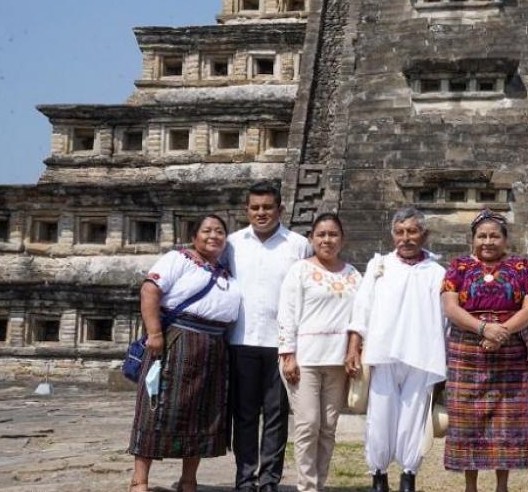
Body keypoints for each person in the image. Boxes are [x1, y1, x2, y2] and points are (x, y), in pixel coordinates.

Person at [129, 215, 241, 492]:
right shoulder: (178, 259)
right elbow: (150, 290)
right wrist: (155, 333)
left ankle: (188, 480)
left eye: (219, 231)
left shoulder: (226, 272)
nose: (213, 236)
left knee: (203, 413)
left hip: (214, 348)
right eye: (207, 231)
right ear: (194, 236)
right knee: (157, 407)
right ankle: (139, 480)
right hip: (177, 341)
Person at [345, 207, 447, 492]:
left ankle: (408, 475)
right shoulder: (380, 266)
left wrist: (446, 361)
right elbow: (362, 308)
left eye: (412, 232)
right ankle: (378, 475)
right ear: (393, 236)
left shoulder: (438, 273)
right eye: (400, 232)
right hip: (383, 353)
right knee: (380, 418)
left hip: (422, 355)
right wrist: (354, 347)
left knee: (414, 420)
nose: (406, 238)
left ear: (424, 235)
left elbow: (446, 320)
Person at [441, 209, 528, 492]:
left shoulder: (521, 268)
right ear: (473, 239)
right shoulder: (458, 267)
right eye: (482, 236)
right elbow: (450, 307)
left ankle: (502, 486)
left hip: (509, 353)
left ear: (505, 240)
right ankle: (470, 486)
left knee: (506, 421)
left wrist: (502, 332)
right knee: (467, 420)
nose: (488, 241)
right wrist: (484, 329)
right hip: (468, 350)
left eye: (494, 236)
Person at [227, 181, 312, 492]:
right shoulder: (232, 243)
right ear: (247, 210)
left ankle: (269, 480)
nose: (261, 213)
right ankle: (245, 478)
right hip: (242, 340)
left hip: (281, 345)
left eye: (267, 207)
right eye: (255, 208)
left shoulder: (298, 244)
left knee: (276, 416)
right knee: (244, 415)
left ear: (280, 209)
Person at [277, 213, 362, 492]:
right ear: (312, 239)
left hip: (338, 361)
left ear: (342, 239)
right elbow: (287, 314)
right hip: (304, 361)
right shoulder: (300, 270)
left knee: (328, 428)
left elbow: (359, 318)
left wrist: (354, 351)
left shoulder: (353, 274)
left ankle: (319, 484)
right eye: (321, 234)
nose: (327, 240)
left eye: (333, 234)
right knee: (308, 425)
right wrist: (288, 353)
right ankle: (307, 487)